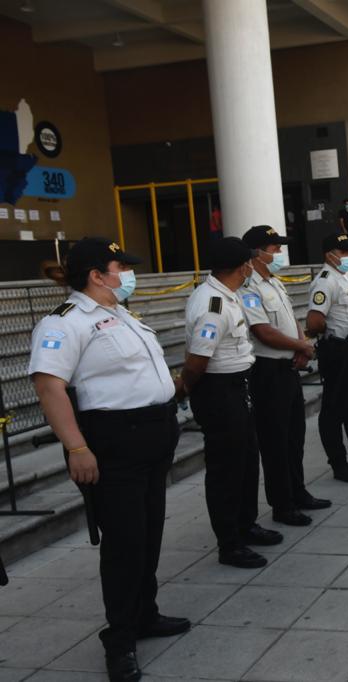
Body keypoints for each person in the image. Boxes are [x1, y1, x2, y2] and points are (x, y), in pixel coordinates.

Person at [30, 238, 189, 682]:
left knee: (149, 534)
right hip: (115, 446)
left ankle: (145, 613)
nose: (128, 274)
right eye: (121, 266)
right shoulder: (64, 323)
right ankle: (119, 639)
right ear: (98, 275)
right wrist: (77, 447)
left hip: (152, 439)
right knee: (124, 546)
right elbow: (49, 387)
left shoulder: (119, 314)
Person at [182, 237, 282, 568]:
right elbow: (198, 360)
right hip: (218, 391)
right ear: (243, 267)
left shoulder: (227, 296)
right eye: (250, 263)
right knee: (227, 469)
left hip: (236, 387)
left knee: (246, 462)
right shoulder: (213, 305)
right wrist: (185, 390)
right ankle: (230, 542)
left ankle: (246, 524)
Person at [239, 226, 328, 525]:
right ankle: (282, 504)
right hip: (267, 371)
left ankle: (298, 492)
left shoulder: (273, 283)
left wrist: (301, 345)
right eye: (274, 248)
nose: (279, 253)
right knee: (275, 441)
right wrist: (300, 346)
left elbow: (291, 321)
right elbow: (263, 331)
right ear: (256, 252)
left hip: (288, 368)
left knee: (295, 437)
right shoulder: (248, 287)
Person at [307, 233, 348, 483]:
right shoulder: (325, 280)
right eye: (343, 251)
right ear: (329, 254)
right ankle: (339, 463)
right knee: (334, 409)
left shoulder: (346, 276)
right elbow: (314, 320)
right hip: (339, 351)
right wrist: (334, 338)